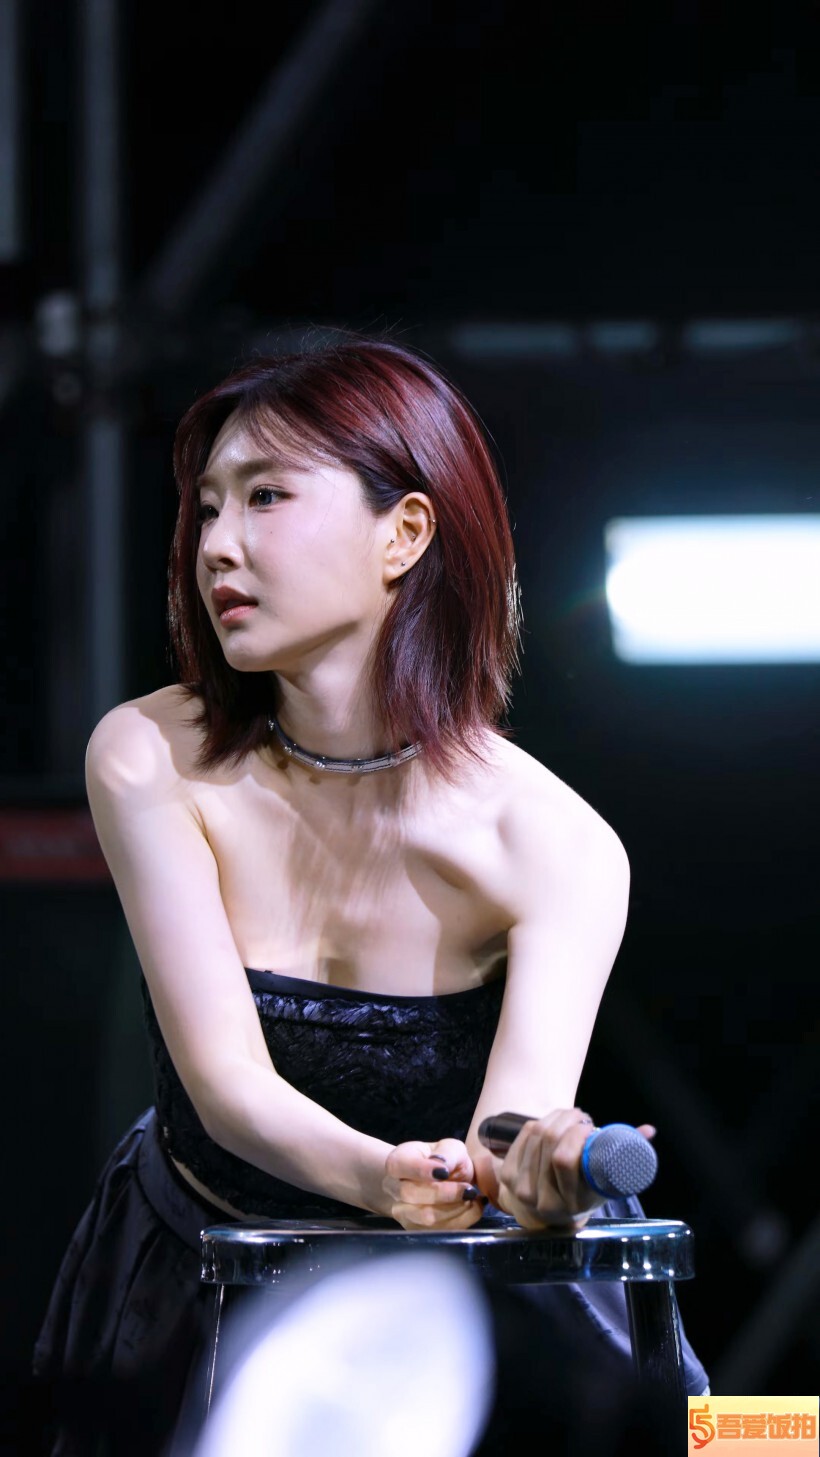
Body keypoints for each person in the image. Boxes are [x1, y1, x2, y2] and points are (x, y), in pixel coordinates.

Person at [34, 335, 707, 1454]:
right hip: (198, 1270)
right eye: (208, 507)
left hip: (466, 1291)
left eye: (266, 497)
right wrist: (379, 1177)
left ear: (404, 533)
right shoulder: (146, 754)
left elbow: (506, 1140)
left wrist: (535, 1167)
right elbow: (226, 1085)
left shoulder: (557, 845)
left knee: (756, 1434)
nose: (216, 544)